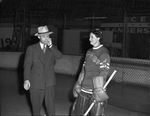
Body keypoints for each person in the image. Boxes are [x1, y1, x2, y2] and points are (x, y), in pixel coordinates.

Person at [23, 25, 62, 116]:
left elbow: (59, 56)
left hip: (49, 82)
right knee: (36, 108)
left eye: (47, 36)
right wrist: (26, 79)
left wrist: (51, 46)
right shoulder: (31, 49)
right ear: (38, 36)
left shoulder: (52, 48)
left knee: (51, 107)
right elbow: (27, 65)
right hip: (35, 83)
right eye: (43, 36)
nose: (46, 38)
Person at [72, 28, 110, 116]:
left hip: (95, 90)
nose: (89, 39)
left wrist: (98, 89)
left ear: (98, 38)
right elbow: (83, 70)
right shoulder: (89, 52)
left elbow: (104, 72)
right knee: (77, 112)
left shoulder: (104, 52)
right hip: (84, 89)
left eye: (92, 37)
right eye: (89, 37)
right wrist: (78, 83)